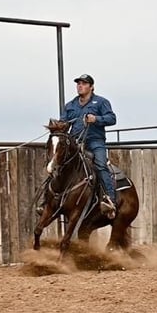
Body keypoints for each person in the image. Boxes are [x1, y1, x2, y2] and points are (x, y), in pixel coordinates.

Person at [39, 73, 118, 219]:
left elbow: (112, 118)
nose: (80, 86)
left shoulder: (101, 102)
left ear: (91, 87)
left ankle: (109, 199)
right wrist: (59, 125)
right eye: (78, 83)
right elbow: (64, 123)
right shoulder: (70, 105)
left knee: (100, 165)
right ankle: (46, 201)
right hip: (75, 142)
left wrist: (96, 119)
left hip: (95, 142)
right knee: (59, 165)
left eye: (83, 83)